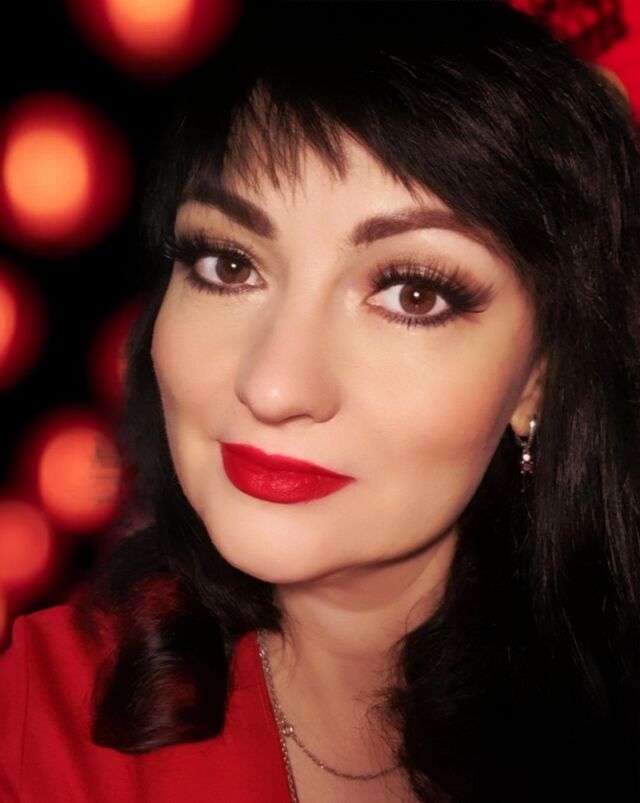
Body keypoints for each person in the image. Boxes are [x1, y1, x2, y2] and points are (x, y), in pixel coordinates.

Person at [1, 1, 640, 801]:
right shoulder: (38, 718)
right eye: (228, 265)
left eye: (412, 293)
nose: (274, 386)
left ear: (540, 374)